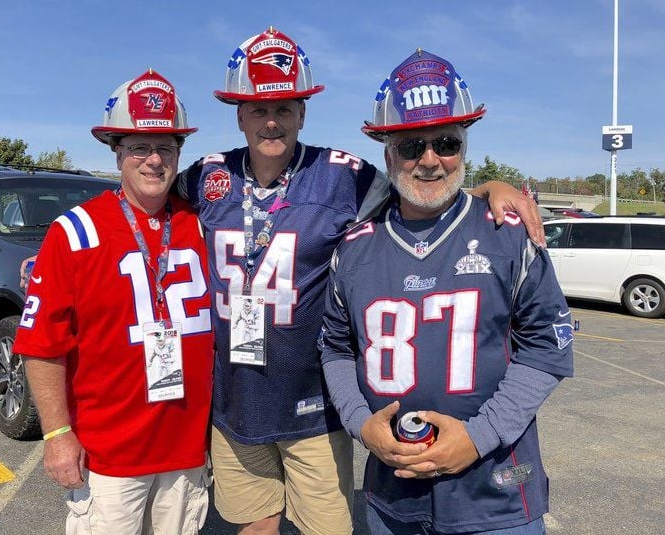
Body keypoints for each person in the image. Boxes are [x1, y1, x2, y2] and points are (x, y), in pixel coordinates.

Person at [176, 28, 545, 535]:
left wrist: (488, 189)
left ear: (303, 112)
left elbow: (423, 190)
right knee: (252, 526)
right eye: (257, 108)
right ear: (237, 113)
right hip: (237, 399)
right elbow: (145, 205)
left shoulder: (344, 174)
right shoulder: (205, 175)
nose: (270, 120)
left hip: (312, 403)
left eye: (285, 107)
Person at [320, 49, 574, 534]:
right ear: (387, 151)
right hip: (392, 494)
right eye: (412, 146)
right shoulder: (354, 249)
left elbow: (548, 345)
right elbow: (334, 345)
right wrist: (360, 422)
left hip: (494, 492)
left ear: (464, 146)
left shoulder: (508, 233)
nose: (430, 160)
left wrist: (479, 437)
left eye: (445, 142)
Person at [13, 70, 214, 535]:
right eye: (139, 147)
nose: (154, 160)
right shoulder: (75, 231)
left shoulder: (200, 224)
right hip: (109, 454)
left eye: (166, 147)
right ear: (116, 151)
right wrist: (58, 435)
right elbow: (42, 344)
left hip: (185, 449)